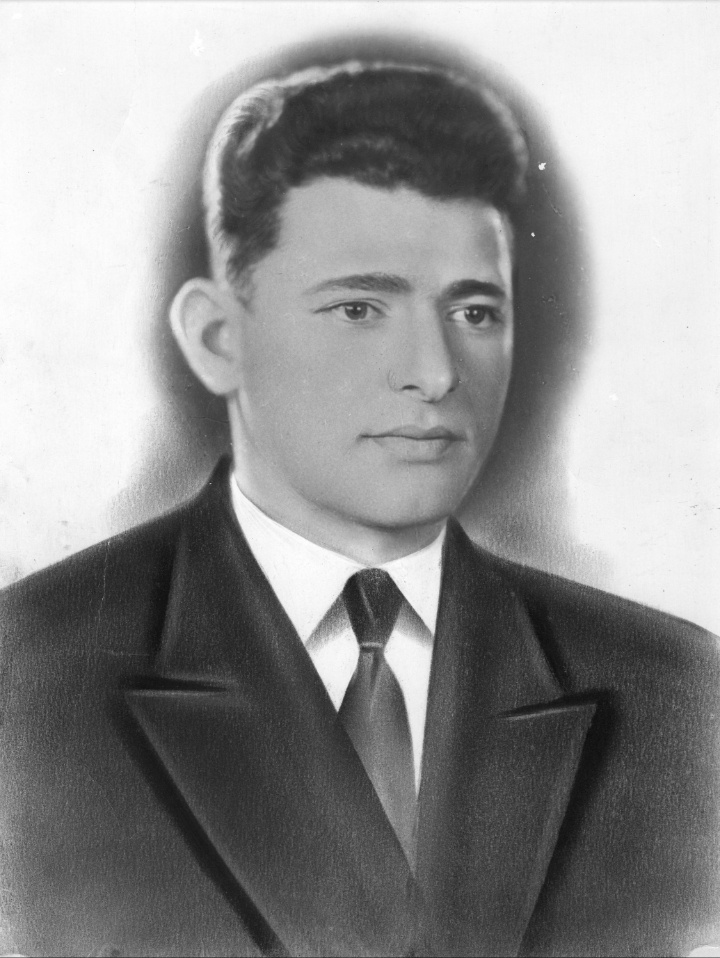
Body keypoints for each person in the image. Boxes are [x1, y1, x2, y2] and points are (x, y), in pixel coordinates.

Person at [0, 59, 718, 958]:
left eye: (475, 312)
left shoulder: (683, 696)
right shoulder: (23, 683)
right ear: (218, 338)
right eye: (359, 308)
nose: (436, 372)